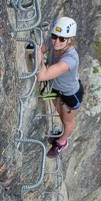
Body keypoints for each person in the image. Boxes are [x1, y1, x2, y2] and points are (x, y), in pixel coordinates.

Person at [36, 16, 82, 157]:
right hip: (57, 88)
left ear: (70, 40)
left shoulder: (70, 59)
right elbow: (41, 49)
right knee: (59, 112)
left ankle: (62, 142)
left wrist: (37, 54)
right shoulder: (52, 41)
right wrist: (38, 52)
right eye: (55, 36)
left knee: (66, 121)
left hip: (70, 94)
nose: (56, 41)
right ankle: (60, 137)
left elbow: (41, 76)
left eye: (62, 39)